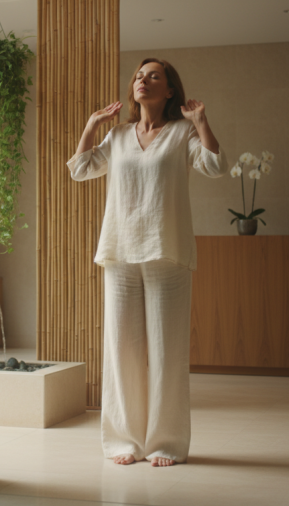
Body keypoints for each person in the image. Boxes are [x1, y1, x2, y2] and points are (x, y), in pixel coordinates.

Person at [67, 58, 226, 467]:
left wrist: (201, 122)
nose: (143, 80)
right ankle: (125, 441)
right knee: (122, 352)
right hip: (120, 252)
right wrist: (91, 126)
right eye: (139, 75)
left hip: (166, 251)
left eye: (154, 75)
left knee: (167, 353)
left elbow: (215, 165)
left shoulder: (181, 133)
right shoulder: (118, 136)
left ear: (169, 89)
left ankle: (165, 442)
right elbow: (80, 170)